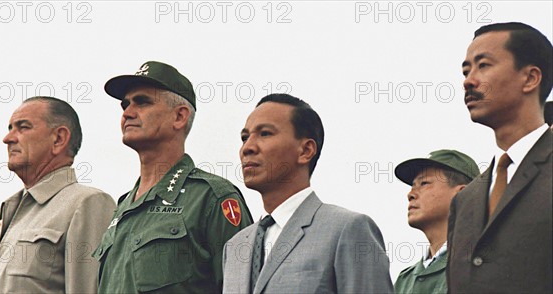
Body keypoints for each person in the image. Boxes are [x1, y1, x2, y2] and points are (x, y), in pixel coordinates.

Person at [94, 61, 253, 293]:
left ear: (179, 117)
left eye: (142, 102)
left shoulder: (211, 198)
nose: (127, 113)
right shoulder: (122, 209)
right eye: (125, 105)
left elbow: (242, 287)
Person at [223, 93, 393, 293]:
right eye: (244, 137)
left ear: (305, 150)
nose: (247, 148)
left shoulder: (347, 230)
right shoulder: (234, 247)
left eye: (265, 133)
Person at [0, 96, 116, 293]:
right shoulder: (7, 218)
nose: (8, 138)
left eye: (23, 127)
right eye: (10, 128)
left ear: (59, 139)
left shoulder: (87, 203)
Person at [448, 22, 552, 293]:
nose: (468, 80)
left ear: (530, 78)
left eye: (484, 65)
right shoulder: (464, 200)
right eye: (466, 70)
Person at [393, 150, 479, 293]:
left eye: (424, 183)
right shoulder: (404, 281)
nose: (411, 194)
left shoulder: (481, 264)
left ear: (462, 194)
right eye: (412, 185)